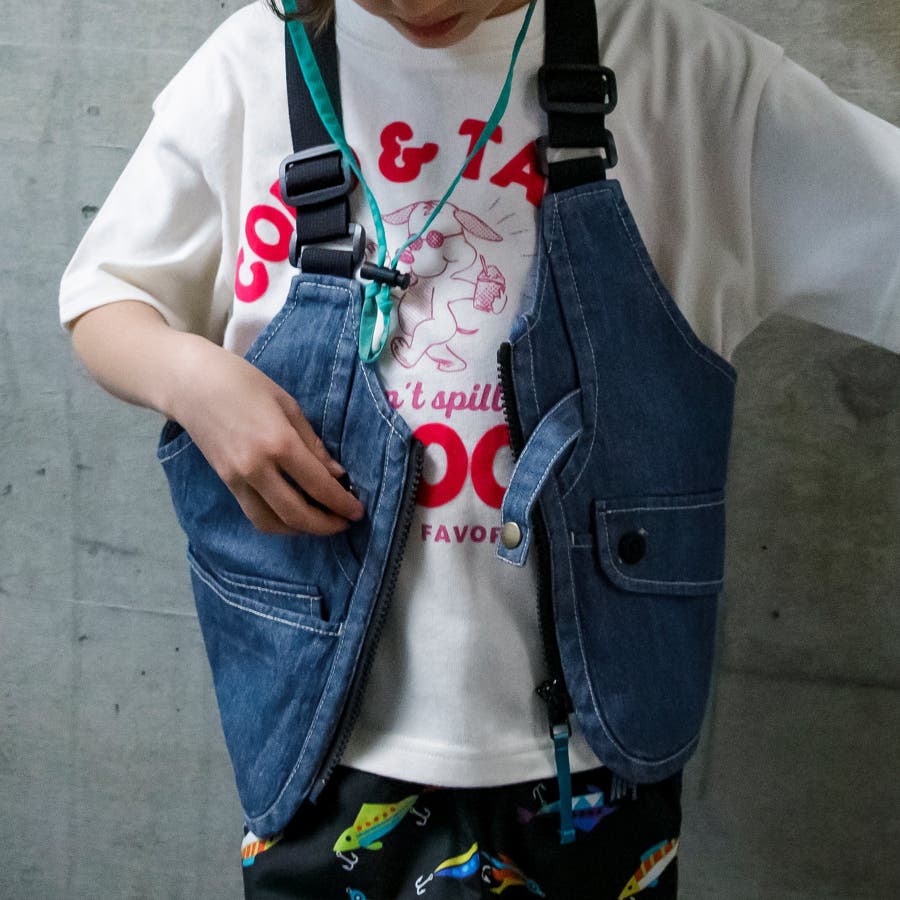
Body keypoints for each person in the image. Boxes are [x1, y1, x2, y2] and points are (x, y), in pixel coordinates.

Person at [59, 0, 899, 896]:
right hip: (319, 752)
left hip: (599, 760)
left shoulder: (688, 77)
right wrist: (192, 380)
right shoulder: (253, 68)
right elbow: (104, 297)